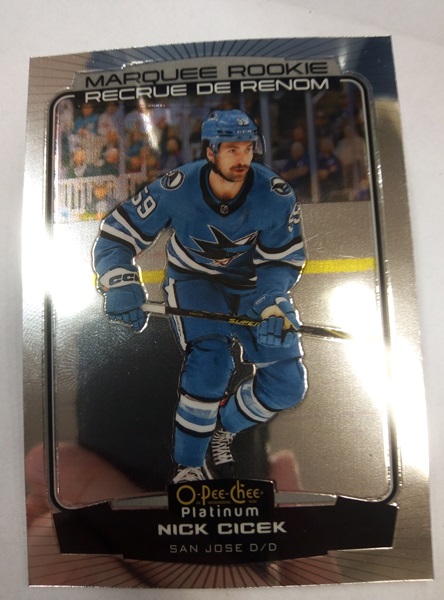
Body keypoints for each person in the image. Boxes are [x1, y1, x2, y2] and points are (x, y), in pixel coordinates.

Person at [93, 109, 307, 484]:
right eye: (232, 149)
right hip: (194, 281)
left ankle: (222, 428)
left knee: (288, 384)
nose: (242, 158)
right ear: (210, 152)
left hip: (253, 285)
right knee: (211, 363)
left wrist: (273, 301)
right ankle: (189, 465)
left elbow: (281, 260)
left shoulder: (276, 195)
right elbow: (117, 235)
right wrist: (121, 281)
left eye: (247, 148)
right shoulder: (178, 187)